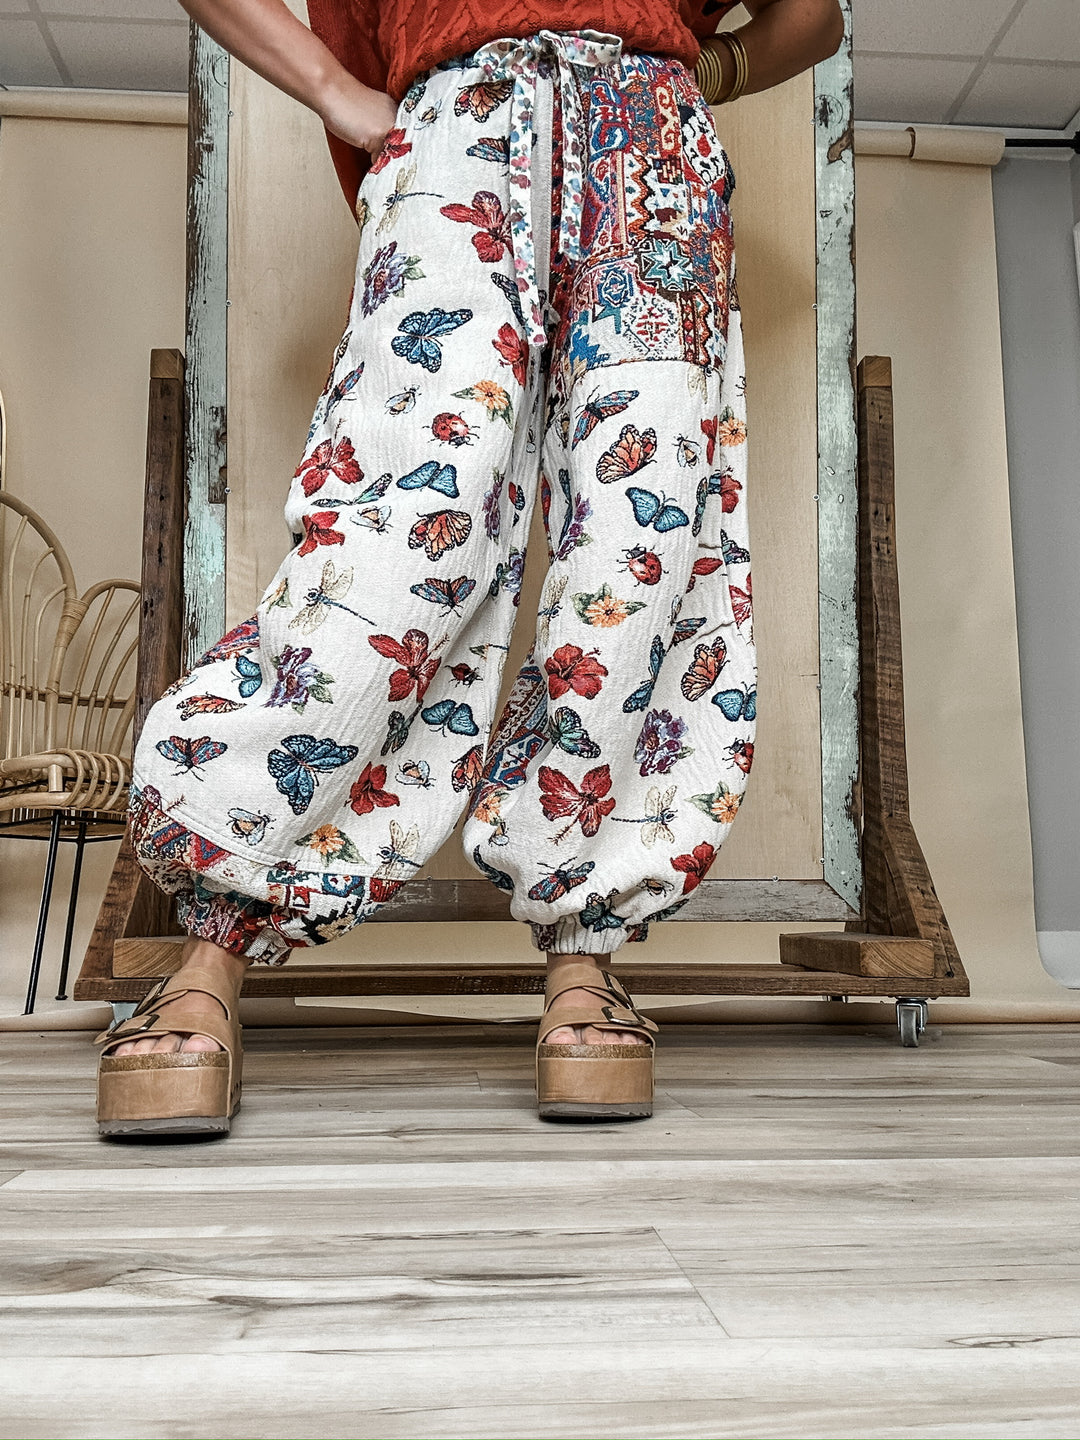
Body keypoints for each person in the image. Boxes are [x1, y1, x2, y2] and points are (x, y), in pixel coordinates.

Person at [95, 0, 844, 1136]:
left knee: (639, 550)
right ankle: (217, 938)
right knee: (403, 523)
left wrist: (710, 71)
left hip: (652, 144)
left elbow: (815, 15)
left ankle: (585, 950)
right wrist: (337, 93)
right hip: (457, 122)